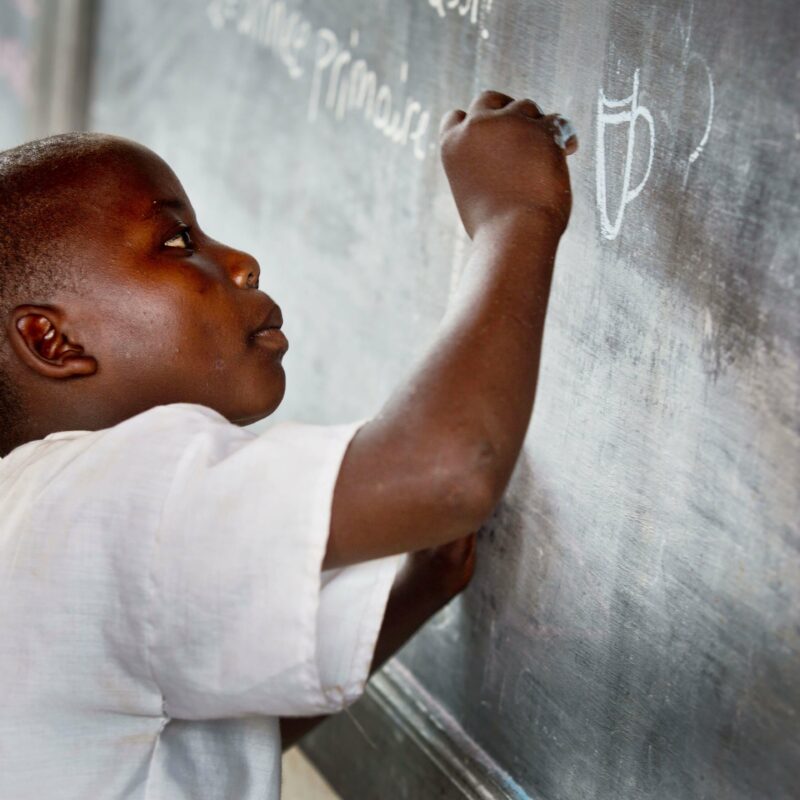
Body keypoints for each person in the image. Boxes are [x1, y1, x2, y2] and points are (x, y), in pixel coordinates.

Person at [0, 90, 576, 798]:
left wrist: (413, 593)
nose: (241, 262)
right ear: (51, 340)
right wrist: (516, 214)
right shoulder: (100, 493)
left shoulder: (32, 530)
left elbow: (181, 758)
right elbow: (450, 471)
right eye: (180, 242)